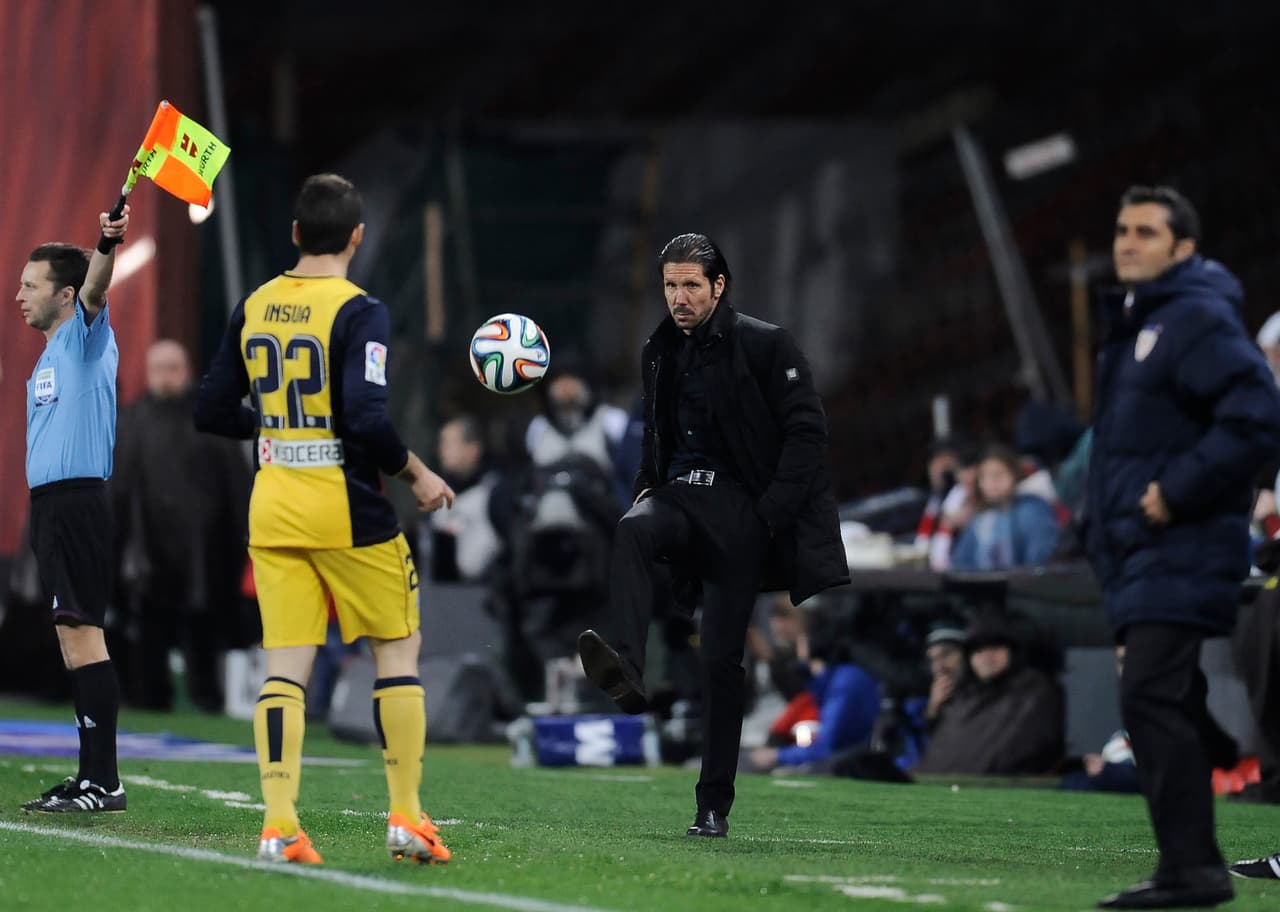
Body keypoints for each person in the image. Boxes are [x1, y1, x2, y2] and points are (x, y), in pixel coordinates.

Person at [194, 173, 456, 866]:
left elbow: (212, 410)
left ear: (295, 234)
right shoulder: (360, 309)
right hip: (346, 508)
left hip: (274, 505)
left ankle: (279, 825)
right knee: (395, 652)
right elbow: (367, 419)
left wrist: (276, 425)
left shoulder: (254, 303)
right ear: (357, 237)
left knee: (285, 670)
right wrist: (420, 473)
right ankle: (406, 816)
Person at [576, 232, 849, 838]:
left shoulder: (766, 343)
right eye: (671, 285)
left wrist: (769, 515)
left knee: (721, 664)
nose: (679, 296)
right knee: (631, 529)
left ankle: (712, 805)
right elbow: (654, 433)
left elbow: (808, 435)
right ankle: (625, 665)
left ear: (718, 287)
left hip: (740, 516)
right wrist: (647, 485)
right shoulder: (658, 351)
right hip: (678, 496)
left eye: (691, 285)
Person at [1086, 185, 1280, 910]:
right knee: (1165, 697)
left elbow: (1258, 417)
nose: (1127, 242)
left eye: (1145, 231)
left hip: (1181, 544)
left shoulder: (1194, 319)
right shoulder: (1146, 326)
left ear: (1184, 248)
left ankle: (1192, 870)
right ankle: (1191, 850)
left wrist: (1178, 490)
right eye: (1121, 229)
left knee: (1149, 697)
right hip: (1142, 552)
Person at [17, 207, 131, 814]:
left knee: (85, 636)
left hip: (77, 505)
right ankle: (91, 777)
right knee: (72, 639)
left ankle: (103, 782)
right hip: (54, 508)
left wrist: (105, 242)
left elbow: (96, 284)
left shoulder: (84, 337)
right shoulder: (55, 352)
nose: (18, 296)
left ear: (64, 295)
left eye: (30, 285)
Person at [112, 339, 253, 712]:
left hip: (205, 544)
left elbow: (236, 483)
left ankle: (206, 696)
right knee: (148, 624)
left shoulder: (208, 417)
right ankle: (149, 697)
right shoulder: (133, 420)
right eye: (159, 368)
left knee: (203, 622)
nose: (166, 376)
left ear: (187, 370)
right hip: (147, 545)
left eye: (173, 368)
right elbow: (118, 486)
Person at [912, 615, 1063, 776]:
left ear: (1012, 651)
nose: (986, 657)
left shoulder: (1034, 690)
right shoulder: (967, 696)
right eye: (978, 651)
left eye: (995, 647)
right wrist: (934, 711)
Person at [949, 443, 1060, 571]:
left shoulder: (1032, 511)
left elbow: (1038, 565)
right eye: (984, 476)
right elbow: (960, 564)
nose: (990, 482)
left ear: (1014, 474)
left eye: (998, 474)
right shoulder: (980, 518)